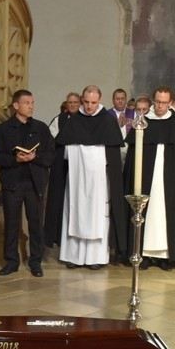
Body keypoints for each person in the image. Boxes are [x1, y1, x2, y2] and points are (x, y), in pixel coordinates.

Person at [123, 87, 175, 271]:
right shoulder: (143, 122)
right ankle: (144, 253)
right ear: (153, 101)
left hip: (170, 180)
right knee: (147, 212)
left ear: (170, 103)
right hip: (146, 178)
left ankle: (165, 256)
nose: (160, 106)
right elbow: (133, 154)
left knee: (165, 213)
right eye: (157, 102)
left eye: (164, 102)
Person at [54, 85, 127, 269]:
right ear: (82, 100)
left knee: (97, 214)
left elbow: (113, 155)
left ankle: (96, 258)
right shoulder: (74, 120)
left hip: (99, 180)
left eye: (93, 102)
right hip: (76, 178)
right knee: (74, 210)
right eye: (86, 102)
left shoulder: (108, 121)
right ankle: (73, 256)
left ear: (99, 101)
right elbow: (62, 149)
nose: (89, 106)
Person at [0, 89, 55, 277]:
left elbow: (51, 155)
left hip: (35, 183)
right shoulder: (4, 129)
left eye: (32, 103)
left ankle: (35, 262)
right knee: (11, 223)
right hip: (13, 183)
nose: (31, 106)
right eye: (27, 103)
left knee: (36, 223)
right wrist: (15, 159)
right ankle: (11, 262)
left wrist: (35, 157)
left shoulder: (41, 128)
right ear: (16, 106)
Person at [44, 92, 81, 248]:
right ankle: (56, 235)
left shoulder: (85, 120)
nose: (72, 105)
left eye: (75, 102)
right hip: (61, 165)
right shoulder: (59, 120)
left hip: (79, 166)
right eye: (70, 102)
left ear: (80, 103)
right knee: (57, 199)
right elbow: (51, 139)